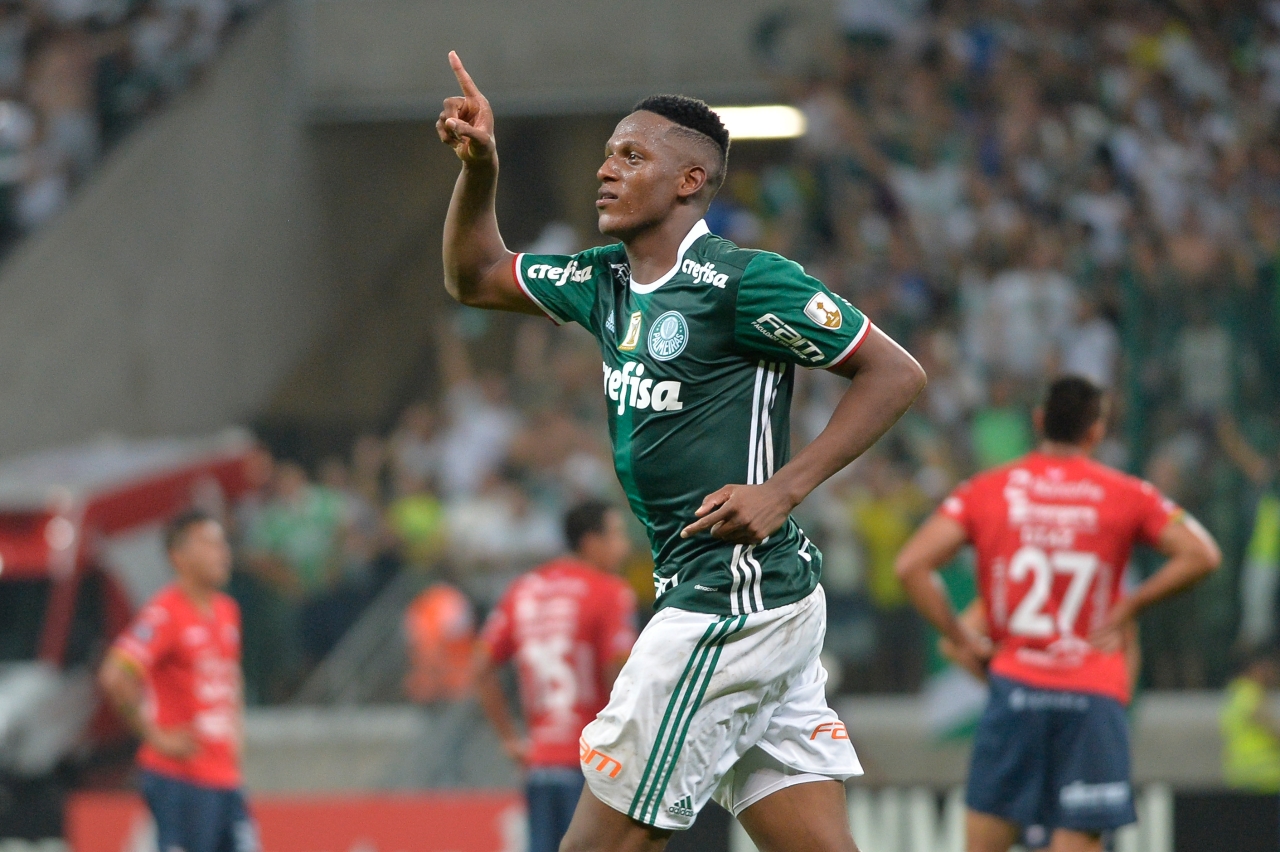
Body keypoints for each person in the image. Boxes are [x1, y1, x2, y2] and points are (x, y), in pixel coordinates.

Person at [438, 52, 926, 852]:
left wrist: (783, 488)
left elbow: (895, 373)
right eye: (607, 155)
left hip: (728, 598)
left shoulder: (743, 281)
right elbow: (477, 275)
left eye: (632, 157)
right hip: (743, 593)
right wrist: (480, 168)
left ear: (689, 181)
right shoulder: (605, 281)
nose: (606, 170)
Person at [895, 376, 1221, 852]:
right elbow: (1202, 554)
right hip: (1092, 696)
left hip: (1017, 691)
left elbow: (911, 566)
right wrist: (1132, 603)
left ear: (1038, 420)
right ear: (1097, 431)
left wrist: (963, 640)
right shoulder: (1128, 493)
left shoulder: (987, 490)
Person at [474, 501, 638, 852]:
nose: (624, 547)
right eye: (617, 536)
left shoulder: (523, 589)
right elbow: (619, 670)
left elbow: (480, 666)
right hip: (594, 763)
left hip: (540, 763)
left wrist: (509, 739)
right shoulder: (610, 591)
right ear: (591, 542)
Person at [99, 509, 258, 852]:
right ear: (178, 557)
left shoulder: (227, 610)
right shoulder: (165, 613)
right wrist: (155, 736)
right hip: (181, 777)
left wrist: (237, 730)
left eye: (223, 543)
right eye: (209, 544)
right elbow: (115, 675)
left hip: (224, 774)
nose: (222, 552)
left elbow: (230, 675)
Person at [1221, 645, 1280, 794]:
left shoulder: (1235, 692)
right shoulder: (1251, 694)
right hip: (1263, 776)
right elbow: (1271, 728)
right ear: (1257, 669)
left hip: (1241, 773)